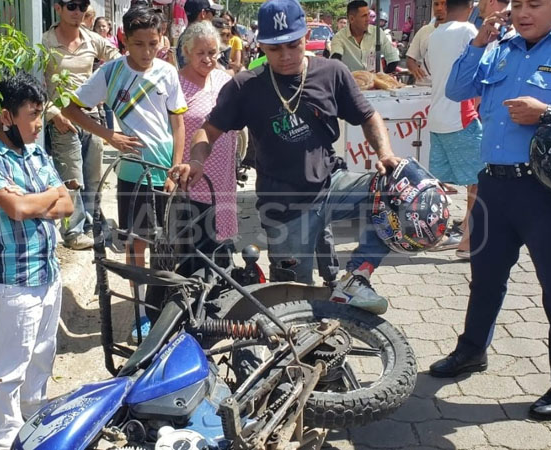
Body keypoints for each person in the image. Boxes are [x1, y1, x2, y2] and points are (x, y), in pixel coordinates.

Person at [428, 0, 551, 422]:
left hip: (547, 190)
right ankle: (472, 350)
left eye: (534, 3)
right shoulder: (501, 47)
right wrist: (479, 43)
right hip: (494, 184)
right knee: (485, 277)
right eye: (517, 3)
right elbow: (457, 90)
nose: (522, 13)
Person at [171, 0, 401, 315]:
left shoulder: (332, 72)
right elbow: (207, 132)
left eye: (293, 45)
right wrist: (197, 161)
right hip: (284, 206)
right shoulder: (246, 86)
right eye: (275, 49)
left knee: (402, 191)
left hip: (331, 184)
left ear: (306, 36)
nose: (286, 56)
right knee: (291, 304)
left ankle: (357, 277)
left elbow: (368, 115)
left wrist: (385, 153)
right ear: (261, 46)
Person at [63, 6, 187, 337]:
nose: (147, 52)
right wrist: (109, 136)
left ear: (161, 39)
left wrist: (175, 167)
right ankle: (140, 312)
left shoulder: (167, 72)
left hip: (165, 173)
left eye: (153, 43)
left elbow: (178, 124)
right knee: (136, 246)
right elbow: (71, 109)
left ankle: (165, 308)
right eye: (138, 44)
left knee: (166, 246)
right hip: (132, 175)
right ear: (124, 41)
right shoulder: (111, 73)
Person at [0, 72, 74, 450]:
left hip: (48, 274)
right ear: (5, 116)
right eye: (32, 114)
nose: (39, 123)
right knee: (9, 370)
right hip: (12, 281)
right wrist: (39, 199)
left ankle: (34, 427)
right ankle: (5, 440)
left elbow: (67, 204)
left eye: (41, 112)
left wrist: (31, 201)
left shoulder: (37, 152)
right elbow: (15, 210)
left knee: (43, 357)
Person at [43, 0, 119, 250]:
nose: (78, 12)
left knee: (94, 176)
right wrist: (54, 114)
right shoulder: (46, 42)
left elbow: (118, 60)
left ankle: (91, 225)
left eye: (82, 6)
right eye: (71, 6)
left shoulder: (91, 39)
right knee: (72, 178)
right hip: (63, 120)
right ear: (58, 8)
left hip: (91, 116)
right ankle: (73, 232)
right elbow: (36, 83)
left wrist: (104, 85)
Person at [424, 0, 482, 260]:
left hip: (437, 116)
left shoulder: (434, 34)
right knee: (478, 182)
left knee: (440, 184)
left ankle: (434, 232)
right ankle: (468, 240)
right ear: (471, 6)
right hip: (461, 117)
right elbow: (479, 72)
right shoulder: (468, 31)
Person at [178, 20, 238, 242]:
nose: (207, 59)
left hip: (223, 179)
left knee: (219, 242)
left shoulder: (225, 81)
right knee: (194, 244)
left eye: (212, 52)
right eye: (200, 53)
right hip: (191, 181)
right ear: (187, 52)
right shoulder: (176, 85)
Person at [330, 0, 400, 73]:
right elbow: (335, 60)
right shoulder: (339, 37)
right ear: (351, 19)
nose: (368, 19)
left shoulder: (377, 33)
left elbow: (393, 58)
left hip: (376, 79)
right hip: (351, 79)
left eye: (368, 15)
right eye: (364, 16)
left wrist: (385, 77)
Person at [406, 0, 447, 85]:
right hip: (422, 85)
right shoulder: (424, 30)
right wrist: (414, 68)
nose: (439, 8)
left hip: (444, 87)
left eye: (444, 4)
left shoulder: (459, 32)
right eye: (436, 4)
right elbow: (410, 59)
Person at [177, 0, 223, 68]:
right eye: (213, 12)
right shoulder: (196, 39)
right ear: (203, 14)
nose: (213, 17)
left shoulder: (184, 38)